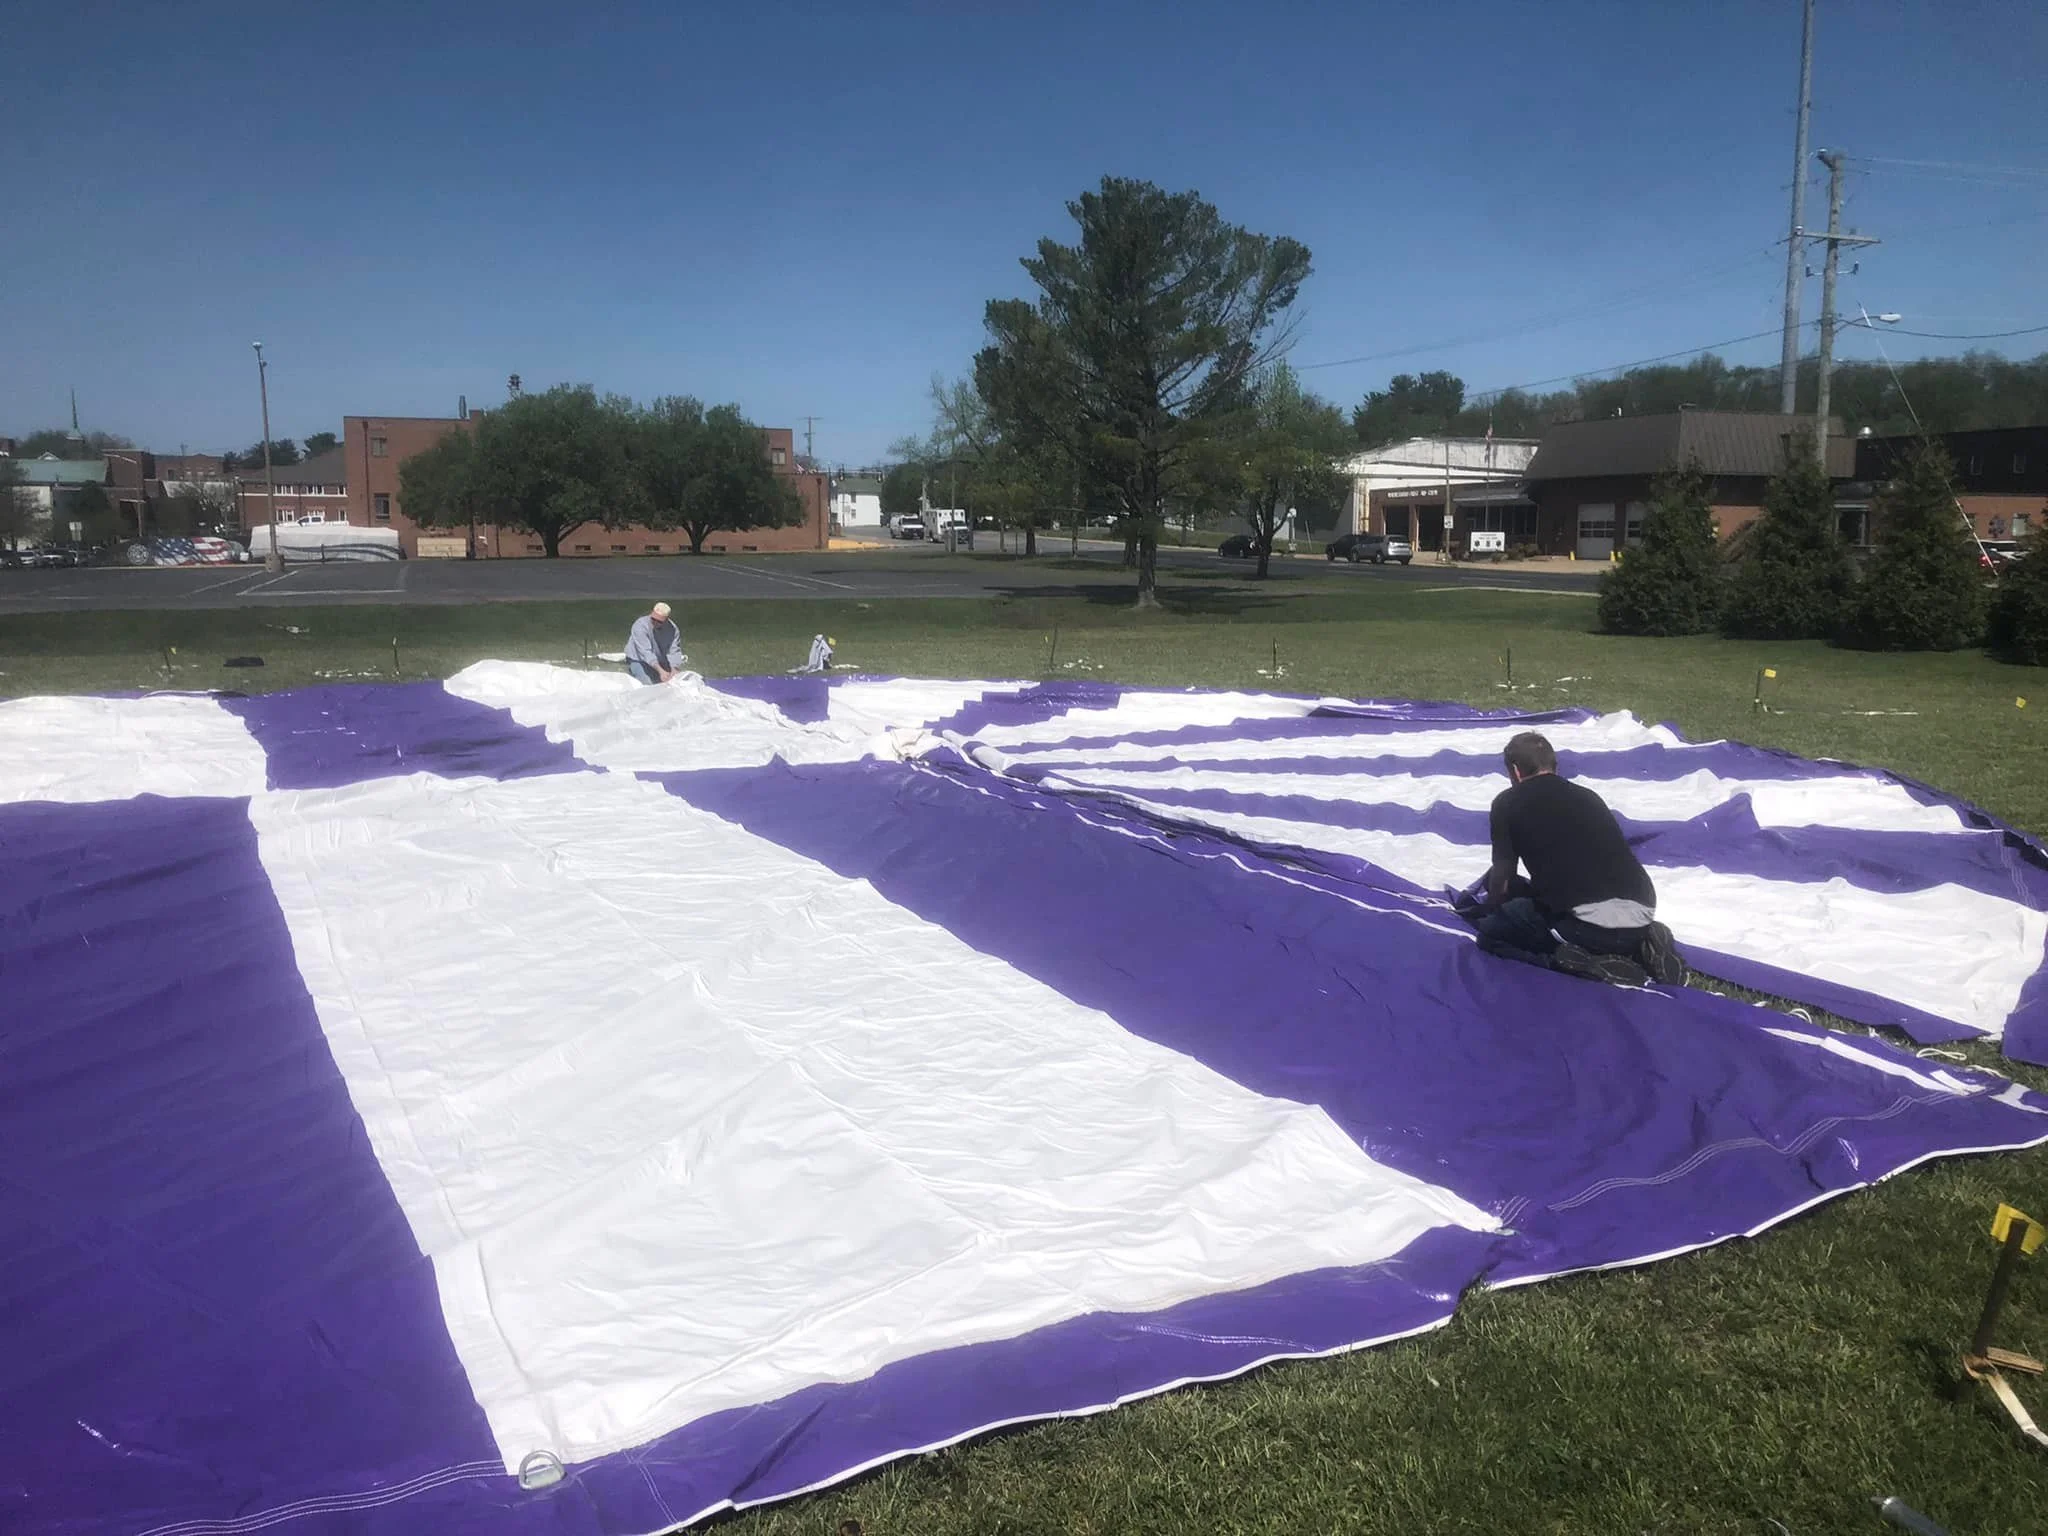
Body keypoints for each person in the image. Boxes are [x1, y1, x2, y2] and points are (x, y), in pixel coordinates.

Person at [1469, 730, 1685, 987]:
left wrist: (1494, 910)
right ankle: (1642, 943)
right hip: (1642, 911)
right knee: (1539, 899)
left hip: (1584, 925)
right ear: (1555, 766)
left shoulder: (1506, 803)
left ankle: (1576, 963)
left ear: (1515, 771)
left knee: (1492, 935)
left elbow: (1502, 878)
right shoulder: (1589, 797)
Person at [625, 601, 685, 685]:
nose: (655, 622)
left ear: (667, 619)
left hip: (661, 659)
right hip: (638, 659)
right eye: (653, 619)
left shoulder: (673, 630)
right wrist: (661, 671)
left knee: (675, 682)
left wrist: (674, 669)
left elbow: (674, 651)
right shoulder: (640, 626)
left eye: (659, 621)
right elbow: (645, 652)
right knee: (648, 684)